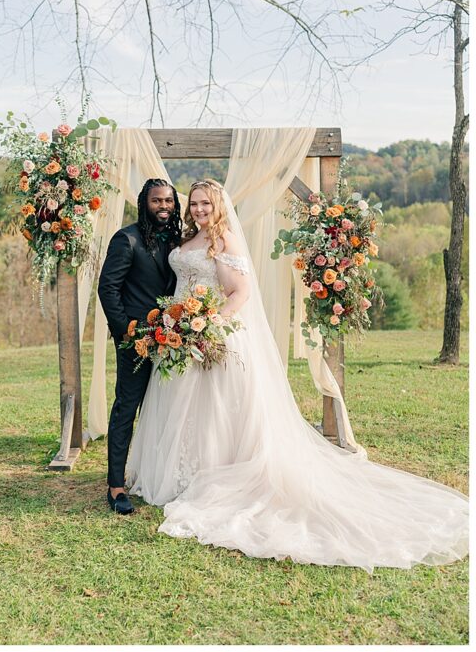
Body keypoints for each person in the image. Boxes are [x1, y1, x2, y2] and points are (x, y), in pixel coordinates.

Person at [125, 179, 468, 570]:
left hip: (214, 334)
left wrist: (209, 322)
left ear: (219, 206)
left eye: (206, 203)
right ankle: (178, 475)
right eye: (195, 203)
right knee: (183, 407)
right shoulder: (188, 238)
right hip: (185, 333)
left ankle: (211, 476)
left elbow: (240, 293)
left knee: (215, 411)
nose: (200, 209)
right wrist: (181, 323)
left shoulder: (225, 242)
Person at [97, 179, 179, 514]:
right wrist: (127, 333)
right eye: (157, 200)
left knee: (164, 409)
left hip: (175, 338)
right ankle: (116, 485)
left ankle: (155, 475)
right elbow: (108, 289)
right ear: (144, 202)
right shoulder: (125, 239)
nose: (163, 206)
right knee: (127, 408)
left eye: (169, 201)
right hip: (137, 339)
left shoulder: (178, 240)